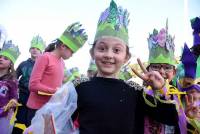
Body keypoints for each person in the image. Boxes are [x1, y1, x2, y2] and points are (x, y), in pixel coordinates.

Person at [71, 1, 179, 134]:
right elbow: (60, 121)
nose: (109, 55)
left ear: (126, 57)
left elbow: (171, 118)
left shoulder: (135, 92)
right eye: (102, 48)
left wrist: (162, 88)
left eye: (116, 50)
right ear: (92, 53)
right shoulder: (78, 88)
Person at [26, 22, 88, 126]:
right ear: (63, 46)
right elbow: (33, 85)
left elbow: (63, 82)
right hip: (36, 109)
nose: (72, 55)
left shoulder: (62, 63)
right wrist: (55, 91)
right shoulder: (44, 57)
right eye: (72, 52)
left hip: (50, 110)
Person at [143, 20, 184, 134]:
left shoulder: (180, 97)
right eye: (156, 67)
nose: (161, 72)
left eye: (167, 68)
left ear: (174, 72)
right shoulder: (140, 95)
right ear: (148, 70)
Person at [12, 35, 46, 133]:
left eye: (37, 49)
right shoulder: (23, 64)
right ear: (29, 50)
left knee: (32, 122)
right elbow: (14, 78)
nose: (34, 50)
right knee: (19, 120)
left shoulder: (44, 64)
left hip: (36, 97)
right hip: (22, 96)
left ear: (41, 51)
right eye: (32, 48)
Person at [0, 40, 20, 134]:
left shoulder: (12, 81)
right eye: (0, 57)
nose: (1, 59)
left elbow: (14, 97)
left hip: (3, 115)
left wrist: (13, 102)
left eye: (5, 58)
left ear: (11, 64)